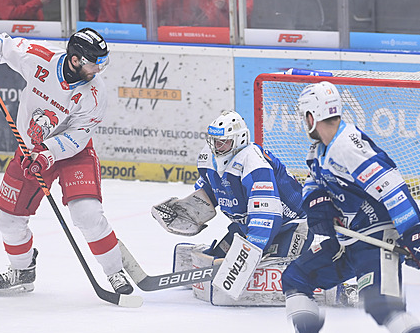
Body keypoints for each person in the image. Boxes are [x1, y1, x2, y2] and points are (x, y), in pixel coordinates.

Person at [264, 82, 420, 333]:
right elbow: (312, 184)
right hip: (346, 239)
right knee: (297, 277)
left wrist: (414, 235)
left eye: (304, 116)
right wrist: (318, 206)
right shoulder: (319, 150)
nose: (303, 123)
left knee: (381, 303)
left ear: (313, 116)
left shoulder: (346, 147)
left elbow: (392, 187)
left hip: (378, 235)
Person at [0, 28, 135, 297]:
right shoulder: (40, 58)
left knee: (87, 214)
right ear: (75, 60)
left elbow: (78, 135)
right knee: (8, 220)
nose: (99, 70)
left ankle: (114, 271)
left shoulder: (96, 94)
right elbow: (6, 47)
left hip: (72, 152)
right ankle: (22, 270)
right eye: (94, 63)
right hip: (29, 151)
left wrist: (49, 153)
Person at [151, 111, 353, 305]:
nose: (217, 146)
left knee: (277, 270)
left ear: (238, 140)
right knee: (214, 258)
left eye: (223, 142)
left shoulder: (253, 161)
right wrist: (186, 210)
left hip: (293, 226)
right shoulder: (208, 159)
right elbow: (209, 191)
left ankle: (334, 286)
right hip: (247, 226)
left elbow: (267, 213)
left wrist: (250, 251)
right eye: (214, 140)